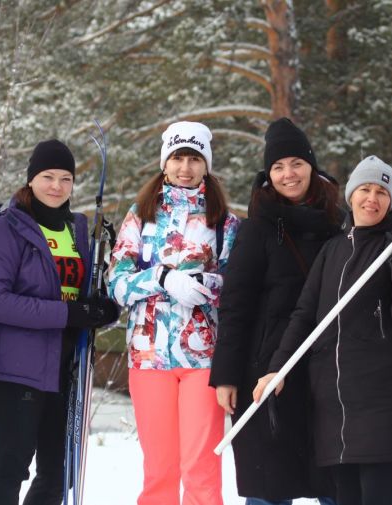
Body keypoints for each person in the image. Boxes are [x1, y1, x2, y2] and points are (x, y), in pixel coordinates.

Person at [255, 155, 392, 505]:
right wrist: (278, 367)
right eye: (364, 189)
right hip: (334, 402)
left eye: (382, 192)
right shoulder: (333, 249)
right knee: (344, 497)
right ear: (350, 195)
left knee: (379, 495)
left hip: (384, 400)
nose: (372, 199)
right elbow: (305, 315)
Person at [0, 139, 119, 505]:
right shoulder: (7, 228)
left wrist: (100, 307)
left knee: (58, 473)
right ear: (31, 179)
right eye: (48, 176)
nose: (56, 186)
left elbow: (77, 289)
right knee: (12, 466)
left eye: (65, 178)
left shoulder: (76, 230)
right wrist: (68, 314)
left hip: (63, 365)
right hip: (15, 364)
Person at [211, 118, 341, 505]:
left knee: (333, 479)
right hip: (266, 373)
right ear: (268, 175)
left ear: (311, 166)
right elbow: (235, 304)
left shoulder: (338, 224)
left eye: (296, 164)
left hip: (324, 370)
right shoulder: (258, 230)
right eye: (278, 167)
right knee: (269, 483)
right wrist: (227, 376)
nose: (289, 174)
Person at [108, 121, 239, 505]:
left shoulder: (224, 223)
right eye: (178, 157)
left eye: (194, 159)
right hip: (148, 357)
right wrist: (163, 279)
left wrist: (204, 285)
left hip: (202, 358)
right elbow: (116, 284)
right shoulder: (141, 216)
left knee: (200, 467)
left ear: (206, 165)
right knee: (160, 469)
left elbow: (235, 286)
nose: (185, 167)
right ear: (165, 163)